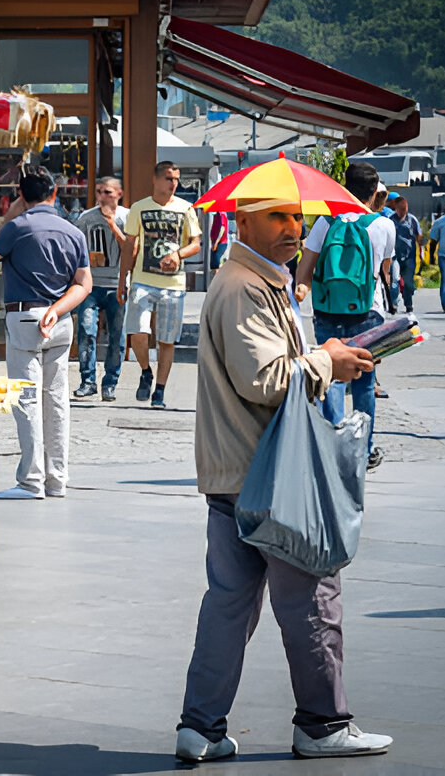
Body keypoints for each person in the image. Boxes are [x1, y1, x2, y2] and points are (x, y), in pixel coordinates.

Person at [175, 196, 390, 763]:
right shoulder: (244, 286)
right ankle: (322, 724)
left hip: (238, 473)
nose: (293, 229)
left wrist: (324, 353)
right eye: (278, 217)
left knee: (229, 604)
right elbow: (266, 379)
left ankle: (200, 727)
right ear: (241, 220)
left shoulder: (252, 281)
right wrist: (328, 362)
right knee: (313, 598)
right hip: (269, 476)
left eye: (297, 218)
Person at [0, 164, 91, 500]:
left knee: (26, 399)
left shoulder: (17, 227)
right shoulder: (74, 232)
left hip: (25, 316)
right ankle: (57, 479)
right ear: (54, 194)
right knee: (57, 400)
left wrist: (11, 214)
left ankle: (31, 480)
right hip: (60, 319)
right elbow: (82, 284)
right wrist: (57, 310)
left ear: (21, 196)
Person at [295, 162, 394, 471]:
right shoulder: (383, 225)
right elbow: (385, 271)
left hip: (327, 311)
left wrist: (298, 297)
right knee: (364, 383)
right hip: (368, 311)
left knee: (332, 377)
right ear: (374, 190)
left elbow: (305, 269)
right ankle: (363, 451)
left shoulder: (325, 222)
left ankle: (333, 449)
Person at [119, 161, 203, 409]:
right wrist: (123, 279)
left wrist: (179, 254)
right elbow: (129, 245)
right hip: (143, 280)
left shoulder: (186, 208)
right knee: (137, 332)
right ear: (155, 180)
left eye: (176, 179)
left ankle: (160, 391)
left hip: (173, 284)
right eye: (168, 178)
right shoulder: (139, 208)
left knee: (167, 340)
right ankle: (145, 370)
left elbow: (195, 242)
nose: (173, 183)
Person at [72, 176, 129, 401]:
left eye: (107, 192)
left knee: (117, 335)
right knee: (87, 330)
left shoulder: (128, 216)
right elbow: (77, 249)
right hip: (92, 284)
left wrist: (112, 224)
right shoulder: (86, 218)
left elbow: (130, 249)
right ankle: (88, 381)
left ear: (118, 194)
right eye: (98, 192)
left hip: (117, 282)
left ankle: (110, 383)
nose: (102, 197)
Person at [390, 196, 422, 314]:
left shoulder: (412, 220)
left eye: (405, 208)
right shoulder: (390, 220)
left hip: (409, 256)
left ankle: (408, 303)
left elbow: (419, 236)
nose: (403, 211)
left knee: (408, 283)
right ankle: (393, 304)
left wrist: (421, 252)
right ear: (396, 208)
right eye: (401, 209)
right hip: (394, 257)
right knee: (394, 281)